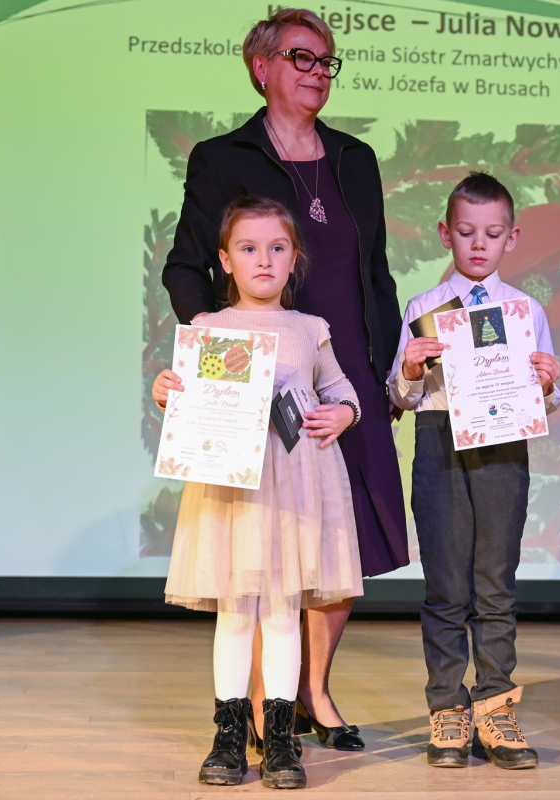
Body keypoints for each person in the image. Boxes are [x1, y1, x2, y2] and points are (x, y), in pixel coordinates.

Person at [161, 8, 407, 749]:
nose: (317, 72)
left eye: (327, 61)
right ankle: (262, 705)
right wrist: (219, 359)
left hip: (343, 367)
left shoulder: (356, 158)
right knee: (265, 539)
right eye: (302, 57)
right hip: (257, 377)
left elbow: (376, 274)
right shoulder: (222, 156)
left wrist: (386, 371)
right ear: (260, 66)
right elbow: (185, 267)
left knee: (343, 534)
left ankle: (312, 693)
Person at [152, 198, 363, 789]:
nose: (263, 260)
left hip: (292, 486)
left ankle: (280, 739)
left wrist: (344, 413)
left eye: (277, 248)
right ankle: (227, 735)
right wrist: (167, 390)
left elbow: (343, 389)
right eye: (248, 248)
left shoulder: (309, 329)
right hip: (230, 489)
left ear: (294, 259)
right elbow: (186, 399)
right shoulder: (207, 329)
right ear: (225, 260)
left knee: (282, 611)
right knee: (235, 611)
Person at [388, 173, 560, 770]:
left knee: (495, 582)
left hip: (503, 446)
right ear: (446, 234)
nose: (479, 244)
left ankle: (495, 706)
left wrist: (546, 382)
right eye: (466, 232)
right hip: (439, 440)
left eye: (492, 233)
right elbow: (401, 397)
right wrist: (411, 368)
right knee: (445, 586)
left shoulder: (525, 310)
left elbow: (545, 400)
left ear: (512, 238)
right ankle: (447, 709)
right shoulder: (423, 308)